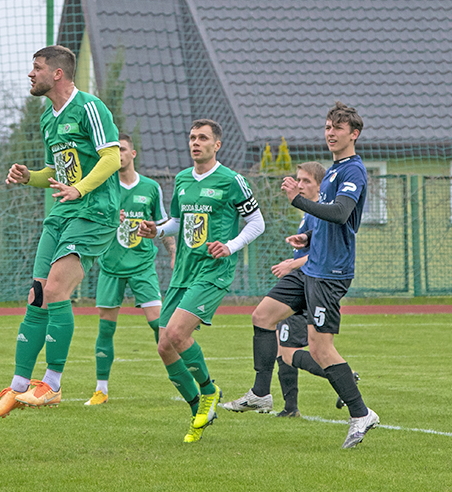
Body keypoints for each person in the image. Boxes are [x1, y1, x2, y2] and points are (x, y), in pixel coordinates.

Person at [222, 101, 379, 449]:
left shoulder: (353, 171)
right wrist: (307, 237)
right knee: (262, 315)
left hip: (330, 272)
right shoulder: (334, 171)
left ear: (354, 134)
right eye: (327, 127)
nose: (330, 133)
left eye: (338, 128)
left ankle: (361, 413)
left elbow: (340, 214)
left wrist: (297, 199)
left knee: (321, 349)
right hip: (311, 266)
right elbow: (326, 221)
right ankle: (261, 394)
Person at [0, 45, 121, 419]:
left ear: (57, 73)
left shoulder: (89, 107)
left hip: (95, 212)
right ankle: (17, 387)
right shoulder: (49, 118)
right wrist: (29, 176)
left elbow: (112, 157)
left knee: (58, 290)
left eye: (37, 67)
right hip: (62, 213)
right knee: (37, 295)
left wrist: (80, 189)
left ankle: (53, 385)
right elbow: (55, 173)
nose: (31, 74)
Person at [137, 119, 265, 442]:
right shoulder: (182, 179)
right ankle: (199, 409)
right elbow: (178, 221)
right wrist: (158, 230)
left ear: (216, 145)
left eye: (203, 138)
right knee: (164, 346)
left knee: (177, 334)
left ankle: (209, 391)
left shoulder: (232, 180)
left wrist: (231, 246)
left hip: (213, 270)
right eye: (192, 137)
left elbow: (257, 222)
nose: (196, 142)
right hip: (183, 271)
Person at [85, 132, 175, 406]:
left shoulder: (151, 187)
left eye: (123, 149)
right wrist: (110, 218)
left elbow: (163, 224)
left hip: (142, 265)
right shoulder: (103, 185)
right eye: (115, 151)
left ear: (133, 153)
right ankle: (101, 389)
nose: (120, 155)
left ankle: (183, 378)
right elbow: (90, 221)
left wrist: (174, 253)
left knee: (159, 324)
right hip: (110, 266)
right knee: (106, 329)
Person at [267, 161, 348, 417]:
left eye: (306, 181)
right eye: (298, 180)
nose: (300, 185)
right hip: (302, 282)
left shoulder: (322, 212)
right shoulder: (309, 212)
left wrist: (291, 265)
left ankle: (345, 378)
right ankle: (290, 408)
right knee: (283, 346)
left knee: (290, 351)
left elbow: (323, 253)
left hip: (309, 286)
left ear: (321, 186)